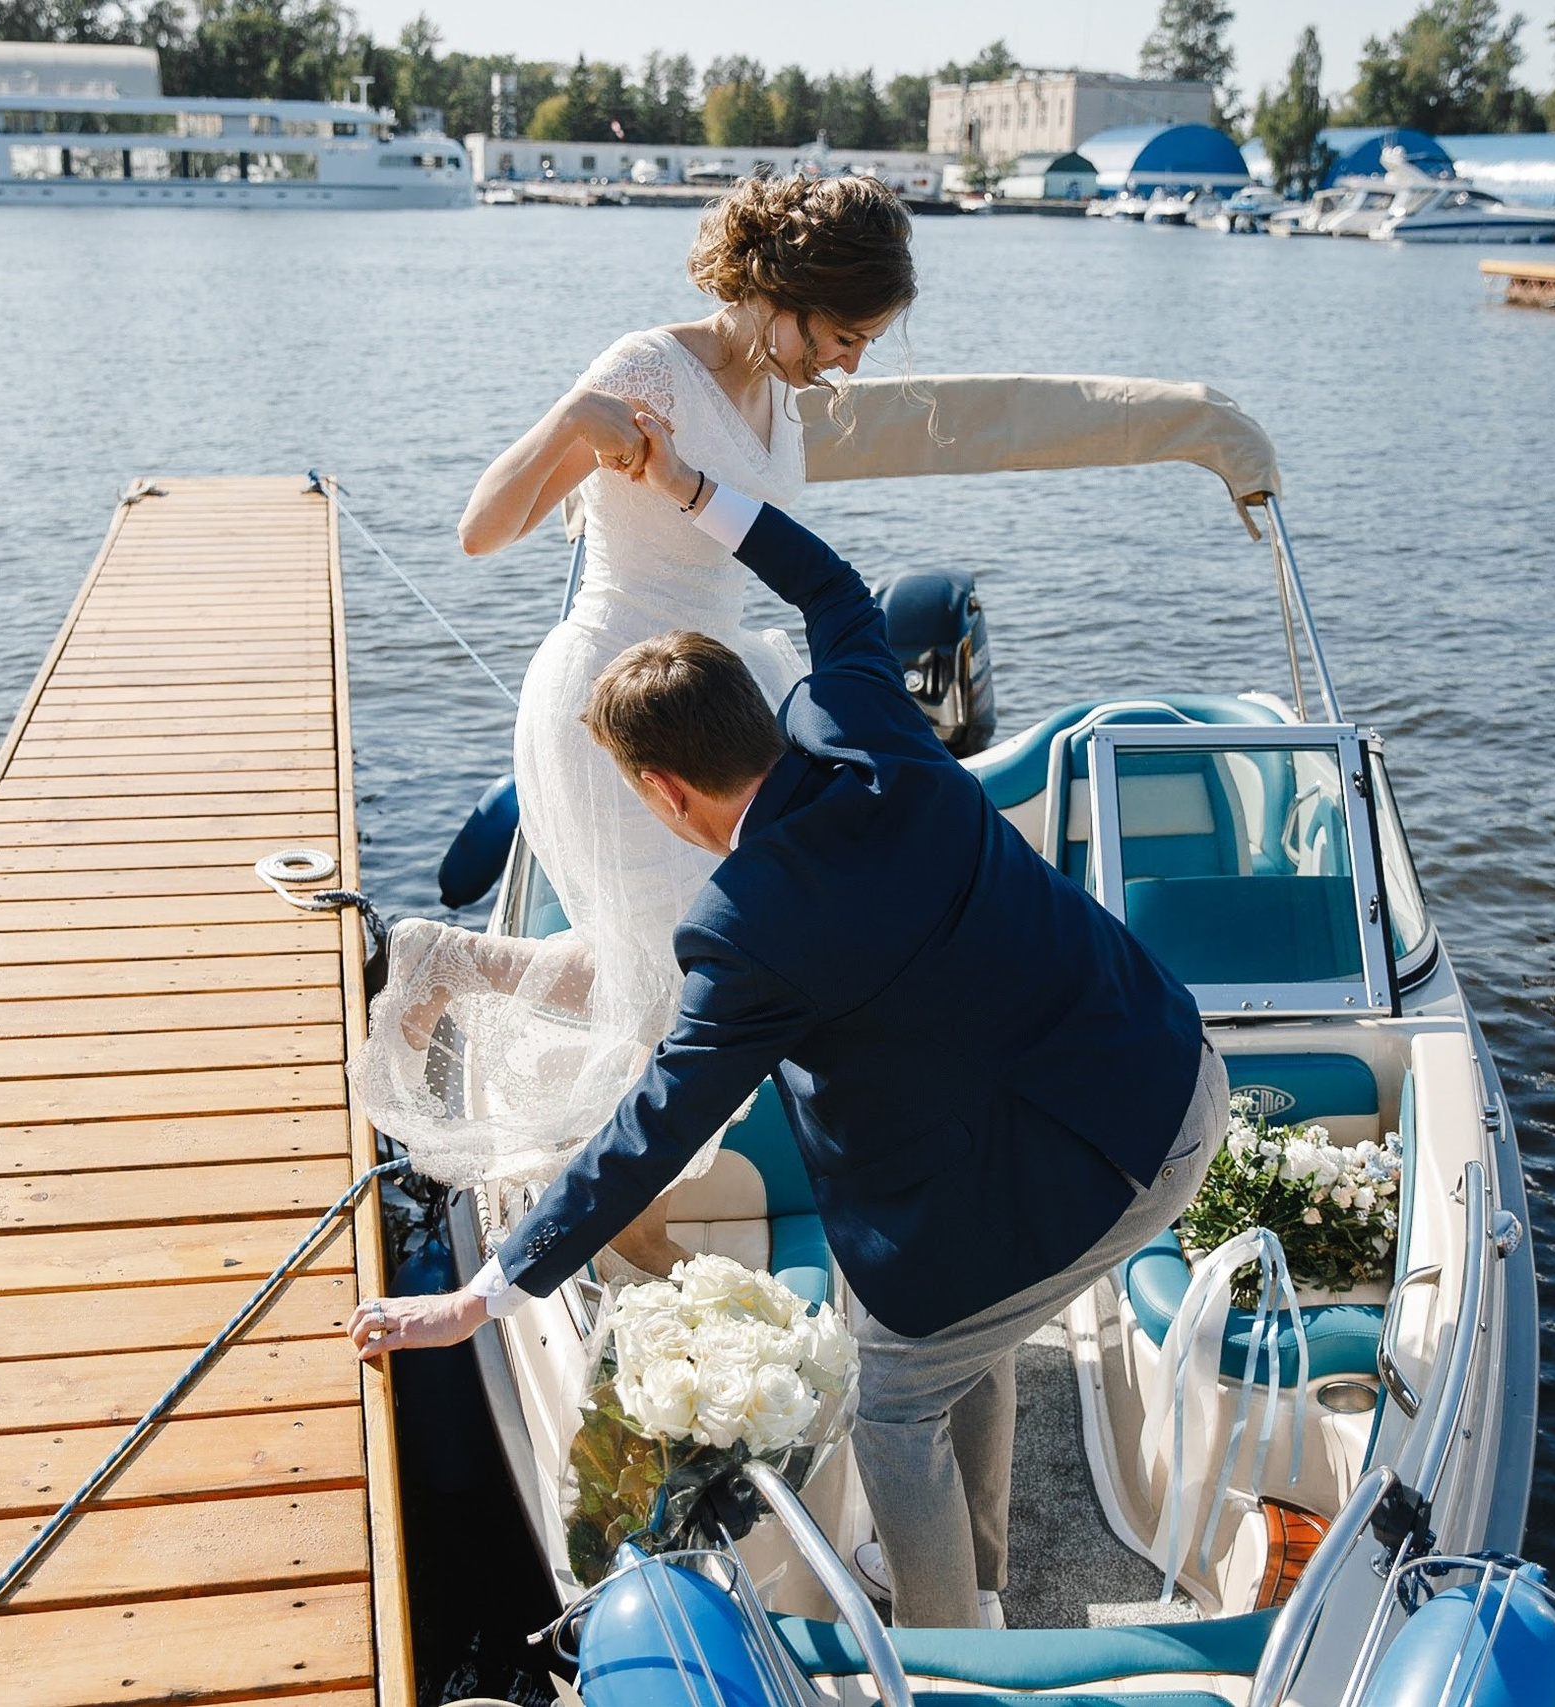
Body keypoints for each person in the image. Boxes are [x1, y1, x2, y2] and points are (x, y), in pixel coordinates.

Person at [352, 414, 1227, 1630]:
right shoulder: (868, 725)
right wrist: (693, 486)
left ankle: (946, 1644)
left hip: (1114, 1169)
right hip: (1172, 1071)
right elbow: (830, 587)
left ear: (661, 788)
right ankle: (973, 1568)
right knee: (932, 1325)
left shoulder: (746, 929)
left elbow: (649, 1132)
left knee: (893, 1401)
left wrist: (481, 1296)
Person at [348, 177, 918, 1238]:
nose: (851, 362)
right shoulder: (646, 368)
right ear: (783, 294)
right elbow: (480, 529)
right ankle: (610, 1210)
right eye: (845, 334)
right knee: (675, 984)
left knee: (696, 964)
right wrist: (572, 418)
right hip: (619, 695)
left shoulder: (777, 391)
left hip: (725, 690)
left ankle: (451, 964)